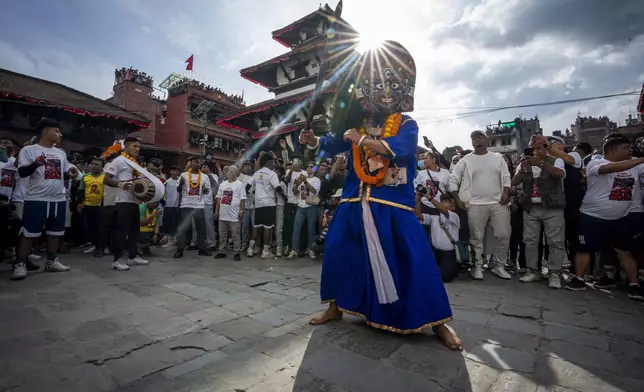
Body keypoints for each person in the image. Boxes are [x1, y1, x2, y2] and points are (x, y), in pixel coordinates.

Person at [303, 41, 461, 350]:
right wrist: (313, 140)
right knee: (338, 252)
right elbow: (333, 142)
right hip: (352, 200)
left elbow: (400, 150)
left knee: (414, 259)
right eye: (377, 85)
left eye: (391, 84)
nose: (385, 91)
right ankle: (336, 308)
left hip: (393, 204)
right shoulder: (355, 124)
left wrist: (361, 140)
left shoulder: (406, 123)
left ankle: (438, 322)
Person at [565, 135, 644, 300]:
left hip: (621, 217)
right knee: (584, 249)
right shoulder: (596, 163)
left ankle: (634, 284)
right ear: (613, 150)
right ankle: (579, 279)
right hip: (592, 217)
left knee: (625, 251)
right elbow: (609, 169)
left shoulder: (636, 164)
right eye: (626, 148)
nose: (631, 150)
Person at [12, 118, 78, 280]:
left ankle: (51, 261)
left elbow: (60, 174)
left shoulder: (61, 153)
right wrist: (36, 164)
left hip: (58, 198)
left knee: (55, 232)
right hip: (36, 198)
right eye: (56, 131)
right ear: (45, 131)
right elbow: (22, 173)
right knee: (28, 233)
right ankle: (20, 263)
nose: (60, 134)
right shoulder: (29, 150)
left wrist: (69, 174)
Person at [449, 131, 512, 280]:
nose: (477, 140)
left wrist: (506, 191)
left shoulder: (498, 158)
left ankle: (498, 266)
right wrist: (457, 198)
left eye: (480, 137)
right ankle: (477, 266)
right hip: (475, 204)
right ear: (471, 143)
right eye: (474, 138)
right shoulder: (466, 160)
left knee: (503, 234)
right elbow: (453, 179)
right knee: (476, 238)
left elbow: (506, 177)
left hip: (498, 203)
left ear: (487, 140)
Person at [512, 135, 567, 289]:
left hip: (552, 208)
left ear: (546, 148)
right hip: (531, 208)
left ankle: (554, 273)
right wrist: (522, 169)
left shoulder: (556, 160)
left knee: (555, 242)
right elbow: (515, 182)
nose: (535, 151)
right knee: (530, 241)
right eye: (532, 148)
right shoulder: (525, 163)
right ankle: (532, 271)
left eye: (539, 148)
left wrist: (541, 164)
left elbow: (560, 174)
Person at [103, 137, 149, 271]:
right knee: (120, 231)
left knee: (135, 230)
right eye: (135, 146)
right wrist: (120, 184)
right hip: (122, 201)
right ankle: (116, 260)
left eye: (139, 146)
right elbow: (106, 179)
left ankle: (132, 256)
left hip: (134, 201)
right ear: (126, 147)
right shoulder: (119, 161)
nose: (137, 149)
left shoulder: (135, 163)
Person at [247, 152, 285, 259]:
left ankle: (250, 249)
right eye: (273, 161)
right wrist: (284, 197)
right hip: (269, 204)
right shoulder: (272, 174)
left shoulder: (256, 173)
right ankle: (265, 251)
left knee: (256, 227)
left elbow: (248, 186)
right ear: (268, 162)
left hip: (258, 204)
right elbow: (277, 188)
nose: (274, 164)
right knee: (267, 228)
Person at [174, 157, 212, 258]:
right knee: (183, 228)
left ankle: (201, 249)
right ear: (190, 163)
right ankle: (179, 250)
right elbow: (178, 190)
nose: (197, 164)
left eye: (198, 162)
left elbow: (207, 191)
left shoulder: (204, 177)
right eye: (195, 162)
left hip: (199, 205)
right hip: (186, 204)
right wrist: (181, 184)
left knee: (200, 228)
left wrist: (205, 190)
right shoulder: (183, 175)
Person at [214, 165, 246, 261]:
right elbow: (219, 198)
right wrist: (216, 211)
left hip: (234, 215)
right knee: (222, 234)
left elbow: (242, 199)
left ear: (236, 173)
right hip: (223, 214)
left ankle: (236, 252)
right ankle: (221, 251)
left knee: (236, 234)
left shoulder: (239, 184)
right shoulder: (222, 184)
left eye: (232, 171)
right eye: (228, 171)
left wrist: (241, 211)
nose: (229, 172)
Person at [77, 157, 105, 257]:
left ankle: (100, 248)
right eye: (93, 164)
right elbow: (81, 191)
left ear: (102, 167)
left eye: (97, 164)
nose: (94, 166)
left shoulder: (105, 177)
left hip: (100, 207)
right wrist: (80, 204)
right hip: (87, 206)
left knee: (100, 228)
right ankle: (96, 245)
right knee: (90, 228)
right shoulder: (85, 177)